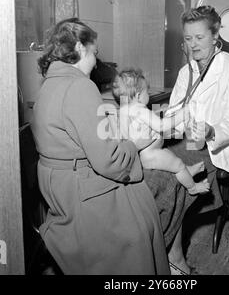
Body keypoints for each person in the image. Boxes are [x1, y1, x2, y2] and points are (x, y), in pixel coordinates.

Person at [31, 18, 170, 275]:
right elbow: (110, 161)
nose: (96, 61)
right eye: (95, 53)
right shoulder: (80, 86)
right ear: (81, 48)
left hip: (59, 187)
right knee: (142, 218)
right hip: (80, 193)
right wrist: (133, 144)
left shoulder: (50, 84)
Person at [163, 5, 229, 274]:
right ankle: (160, 248)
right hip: (192, 141)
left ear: (215, 35)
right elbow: (175, 113)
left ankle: (174, 259)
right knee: (158, 168)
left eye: (199, 37)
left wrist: (210, 131)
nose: (192, 44)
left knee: (172, 178)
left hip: (222, 145)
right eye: (187, 38)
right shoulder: (187, 72)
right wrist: (157, 124)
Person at [111, 68, 210, 196]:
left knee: (171, 157)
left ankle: (188, 171)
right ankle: (192, 188)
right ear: (138, 96)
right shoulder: (141, 110)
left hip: (145, 154)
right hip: (150, 154)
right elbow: (162, 126)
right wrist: (183, 114)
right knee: (178, 164)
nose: (150, 95)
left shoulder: (123, 110)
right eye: (148, 91)